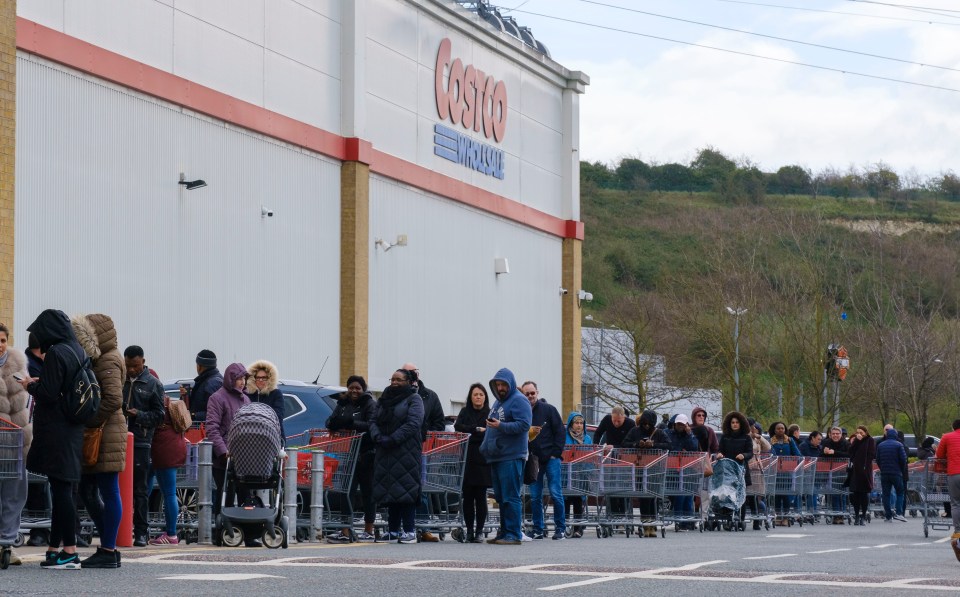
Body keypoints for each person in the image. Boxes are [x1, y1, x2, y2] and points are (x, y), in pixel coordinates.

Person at [21, 309, 85, 569]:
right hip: (73, 427)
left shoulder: (57, 353)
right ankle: (54, 549)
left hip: (57, 429)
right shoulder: (77, 350)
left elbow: (48, 393)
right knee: (63, 489)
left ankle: (69, 551)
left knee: (61, 492)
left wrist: (29, 385)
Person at [71, 315, 126, 569]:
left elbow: (114, 398)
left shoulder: (108, 359)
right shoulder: (105, 357)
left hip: (106, 433)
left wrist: (90, 420)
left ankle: (108, 548)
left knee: (107, 489)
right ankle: (108, 545)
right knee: (91, 489)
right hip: (107, 432)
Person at [369, 369, 424, 544]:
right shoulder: (383, 399)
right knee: (390, 489)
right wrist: (377, 436)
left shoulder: (414, 399)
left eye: (399, 380)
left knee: (406, 490)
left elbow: (414, 423)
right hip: (385, 450)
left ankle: (409, 531)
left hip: (405, 450)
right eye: (392, 379)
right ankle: (392, 530)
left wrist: (394, 438)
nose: (394, 382)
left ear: (408, 381)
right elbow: (373, 420)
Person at [479, 367, 532, 545]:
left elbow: (524, 425)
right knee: (501, 497)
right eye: (498, 384)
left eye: (503, 384)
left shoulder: (519, 400)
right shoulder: (498, 403)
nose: (500, 387)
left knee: (511, 496)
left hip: (511, 455)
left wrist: (500, 426)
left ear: (510, 384)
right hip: (497, 456)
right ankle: (504, 532)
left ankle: (514, 534)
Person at [205, 363, 255, 544]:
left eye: (244, 378)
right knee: (226, 494)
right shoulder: (217, 398)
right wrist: (223, 451)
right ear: (230, 379)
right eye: (239, 378)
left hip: (244, 457)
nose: (242, 382)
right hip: (224, 458)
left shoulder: (246, 400)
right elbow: (212, 428)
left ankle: (249, 535)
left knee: (246, 496)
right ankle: (222, 534)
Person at [325, 375, 377, 543]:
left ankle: (369, 529)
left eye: (357, 388)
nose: (354, 391)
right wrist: (335, 422)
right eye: (351, 388)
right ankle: (345, 530)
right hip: (347, 454)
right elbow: (330, 421)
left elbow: (372, 425)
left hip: (366, 454)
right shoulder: (343, 403)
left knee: (368, 493)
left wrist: (350, 423)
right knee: (346, 492)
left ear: (363, 389)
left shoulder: (369, 404)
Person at [121, 345, 165, 547]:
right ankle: (119, 528)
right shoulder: (119, 380)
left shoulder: (153, 383)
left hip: (140, 441)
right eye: (128, 365)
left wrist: (138, 416)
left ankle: (140, 532)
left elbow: (159, 416)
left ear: (143, 362)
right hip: (119, 439)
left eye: (135, 366)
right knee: (116, 488)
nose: (131, 370)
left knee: (139, 490)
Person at [401, 363, 445, 542]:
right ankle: (403, 526)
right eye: (408, 373)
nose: (412, 376)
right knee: (401, 488)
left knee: (422, 488)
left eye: (414, 372)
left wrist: (425, 436)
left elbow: (439, 423)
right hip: (401, 447)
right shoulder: (396, 394)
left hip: (422, 447)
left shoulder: (429, 396)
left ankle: (424, 527)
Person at [0, 323, 31, 567]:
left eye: (3, 340)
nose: (0, 345)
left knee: (14, 493)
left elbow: (28, 403)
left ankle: (7, 541)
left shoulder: (19, 367)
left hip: (14, 441)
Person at [523, 381, 566, 541]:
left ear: (537, 392)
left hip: (551, 459)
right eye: (527, 394)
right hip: (534, 460)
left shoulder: (549, 410)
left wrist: (556, 453)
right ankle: (538, 529)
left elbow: (560, 431)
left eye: (532, 393)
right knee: (534, 496)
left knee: (556, 494)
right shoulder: (522, 412)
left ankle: (560, 529)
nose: (530, 396)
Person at [453, 383, 492, 543]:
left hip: (483, 460)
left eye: (481, 394)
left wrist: (473, 432)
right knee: (467, 497)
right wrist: (476, 430)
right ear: (470, 396)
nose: (478, 397)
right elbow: (458, 428)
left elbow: (490, 432)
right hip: (467, 459)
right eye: (475, 394)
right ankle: (469, 530)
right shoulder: (464, 411)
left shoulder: (490, 413)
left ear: (485, 397)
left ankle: (479, 531)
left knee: (481, 497)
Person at [148, 394, 187, 546]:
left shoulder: (155, 403)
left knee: (168, 493)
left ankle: (171, 534)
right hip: (176, 445)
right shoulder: (168, 402)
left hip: (164, 449)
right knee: (165, 491)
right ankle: (169, 533)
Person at [622, 410, 669, 536]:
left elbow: (669, 445)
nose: (647, 426)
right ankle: (645, 523)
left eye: (649, 423)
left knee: (653, 496)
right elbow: (625, 443)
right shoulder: (635, 431)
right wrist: (637, 444)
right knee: (644, 496)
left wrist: (653, 445)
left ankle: (652, 525)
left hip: (655, 468)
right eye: (644, 423)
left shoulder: (659, 432)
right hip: (639, 468)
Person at [717, 411, 753, 524]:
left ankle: (740, 517)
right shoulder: (725, 437)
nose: (735, 424)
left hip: (741, 469)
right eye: (732, 422)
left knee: (740, 493)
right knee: (726, 493)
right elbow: (720, 450)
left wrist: (744, 455)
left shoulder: (746, 438)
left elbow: (750, 453)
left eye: (737, 422)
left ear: (741, 424)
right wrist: (719, 455)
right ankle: (726, 515)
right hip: (727, 469)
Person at [665, 414, 700, 528]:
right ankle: (680, 519)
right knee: (680, 494)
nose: (680, 426)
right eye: (678, 424)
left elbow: (694, 448)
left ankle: (688, 521)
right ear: (675, 424)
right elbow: (667, 447)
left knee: (688, 494)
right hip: (672, 468)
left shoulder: (689, 435)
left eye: (682, 424)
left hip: (687, 468)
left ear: (686, 425)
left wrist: (689, 434)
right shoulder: (668, 433)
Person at [935, 419, 960, 562]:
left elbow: (939, 455)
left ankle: (957, 533)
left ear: (953, 426)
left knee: (956, 503)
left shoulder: (947, 437)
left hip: (954, 473)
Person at [563, 411, 591, 538]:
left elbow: (591, 455)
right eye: (576, 423)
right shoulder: (564, 436)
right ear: (571, 424)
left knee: (578, 500)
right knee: (566, 500)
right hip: (566, 472)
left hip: (581, 473)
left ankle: (578, 528)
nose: (579, 425)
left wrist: (588, 470)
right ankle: (565, 526)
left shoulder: (587, 438)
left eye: (581, 423)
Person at [245, 360, 285, 443]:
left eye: (264, 378)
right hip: (250, 438)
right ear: (253, 378)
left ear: (270, 378)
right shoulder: (248, 394)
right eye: (258, 377)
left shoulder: (276, 393)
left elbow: (278, 415)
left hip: (273, 437)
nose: (260, 380)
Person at [768, 421, 801, 521]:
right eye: (778, 428)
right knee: (777, 493)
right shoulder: (770, 441)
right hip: (775, 471)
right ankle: (778, 516)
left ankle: (786, 517)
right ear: (774, 430)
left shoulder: (790, 440)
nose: (780, 430)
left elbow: (797, 454)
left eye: (782, 428)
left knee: (786, 493)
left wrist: (793, 461)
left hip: (787, 471)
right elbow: (768, 454)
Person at [876, 427, 908, 523]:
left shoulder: (880, 445)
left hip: (884, 473)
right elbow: (903, 459)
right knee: (900, 492)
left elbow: (877, 459)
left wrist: (882, 468)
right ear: (896, 435)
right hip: (896, 472)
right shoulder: (899, 445)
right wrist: (901, 470)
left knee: (886, 494)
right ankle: (899, 513)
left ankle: (888, 516)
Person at [847, 425, 876, 526]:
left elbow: (871, 454)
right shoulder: (856, 441)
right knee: (855, 494)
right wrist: (856, 441)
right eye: (857, 432)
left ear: (866, 432)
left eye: (861, 432)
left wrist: (865, 465)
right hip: (855, 470)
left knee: (864, 494)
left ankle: (863, 515)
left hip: (865, 470)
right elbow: (850, 451)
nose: (859, 434)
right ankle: (856, 516)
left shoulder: (870, 440)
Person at [821, 426, 850, 524]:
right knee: (834, 493)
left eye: (837, 434)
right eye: (833, 434)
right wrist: (824, 452)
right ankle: (837, 515)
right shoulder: (826, 442)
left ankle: (842, 514)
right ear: (830, 434)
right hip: (830, 471)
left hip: (843, 471)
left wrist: (835, 452)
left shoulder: (846, 443)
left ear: (841, 434)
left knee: (843, 493)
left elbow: (849, 455)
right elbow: (820, 455)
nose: (835, 435)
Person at [185, 349, 222, 422]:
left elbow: (215, 412)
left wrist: (193, 415)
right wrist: (186, 396)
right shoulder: (205, 381)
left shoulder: (212, 383)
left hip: (205, 429)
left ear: (199, 366)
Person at [799, 430, 823, 516]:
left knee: (814, 492)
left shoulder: (819, 447)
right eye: (818, 439)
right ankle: (812, 511)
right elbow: (802, 457)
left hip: (817, 473)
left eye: (821, 440)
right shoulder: (804, 446)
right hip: (807, 472)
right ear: (812, 438)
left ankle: (813, 511)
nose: (820, 441)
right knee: (811, 492)